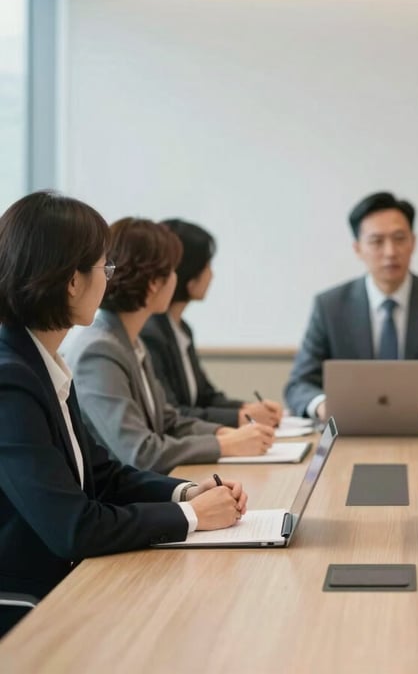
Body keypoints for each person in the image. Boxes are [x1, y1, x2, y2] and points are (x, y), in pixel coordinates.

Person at [0, 192, 247, 637]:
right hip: (31, 600)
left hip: (67, 580)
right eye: (103, 268)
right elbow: (73, 527)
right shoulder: (10, 381)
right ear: (72, 282)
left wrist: (187, 493)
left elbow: (105, 474)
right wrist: (192, 519)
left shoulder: (41, 361)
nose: (109, 281)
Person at [65, 218, 274, 474]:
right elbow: (140, 453)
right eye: (172, 270)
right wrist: (222, 444)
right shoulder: (99, 350)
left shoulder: (130, 340)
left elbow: (168, 421)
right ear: (155, 283)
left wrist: (226, 432)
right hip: (121, 500)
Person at [284, 191, 418, 420]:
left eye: (399, 238)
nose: (390, 252)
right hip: (350, 432)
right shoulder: (330, 306)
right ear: (358, 249)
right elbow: (299, 385)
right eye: (377, 241)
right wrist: (325, 407)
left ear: (413, 242)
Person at [141, 219, 281, 428]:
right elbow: (172, 412)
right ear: (188, 273)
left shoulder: (181, 328)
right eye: (207, 266)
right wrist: (240, 418)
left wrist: (248, 408)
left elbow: (205, 396)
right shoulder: (150, 333)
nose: (211, 275)